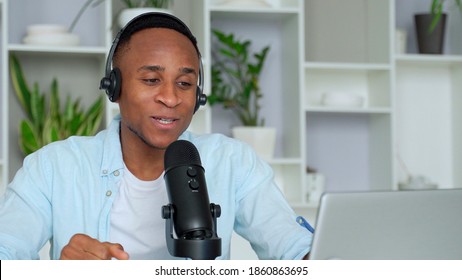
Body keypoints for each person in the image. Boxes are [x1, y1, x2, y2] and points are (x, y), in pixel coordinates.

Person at [0, 12, 312, 260]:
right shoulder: (53, 166)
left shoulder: (232, 161)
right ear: (115, 88)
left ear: (199, 96)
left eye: (185, 84)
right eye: (151, 79)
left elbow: (295, 249)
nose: (171, 98)